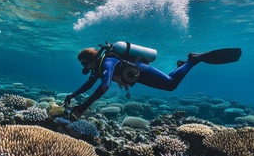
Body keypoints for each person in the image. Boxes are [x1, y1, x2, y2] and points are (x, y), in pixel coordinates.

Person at [64, 44, 241, 119]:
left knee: (171, 85)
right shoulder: (97, 68)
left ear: (92, 58)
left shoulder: (107, 62)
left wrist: (82, 107)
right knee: (169, 82)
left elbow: (104, 85)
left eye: (84, 63)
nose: (85, 67)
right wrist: (72, 95)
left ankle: (193, 60)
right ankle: (182, 65)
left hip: (141, 69)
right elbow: (89, 83)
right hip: (138, 74)